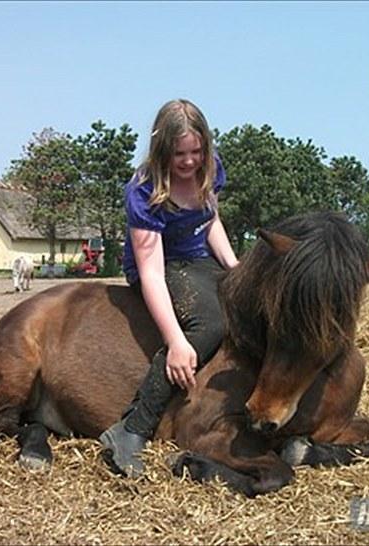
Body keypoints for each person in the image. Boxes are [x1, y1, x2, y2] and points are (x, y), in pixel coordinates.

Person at [99, 99, 239, 477]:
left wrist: (237, 269)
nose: (190, 161)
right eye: (180, 154)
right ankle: (130, 430)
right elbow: (153, 274)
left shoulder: (210, 167)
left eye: (196, 151)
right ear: (162, 150)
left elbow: (211, 222)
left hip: (200, 259)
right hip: (164, 266)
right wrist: (177, 341)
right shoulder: (143, 190)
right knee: (210, 325)